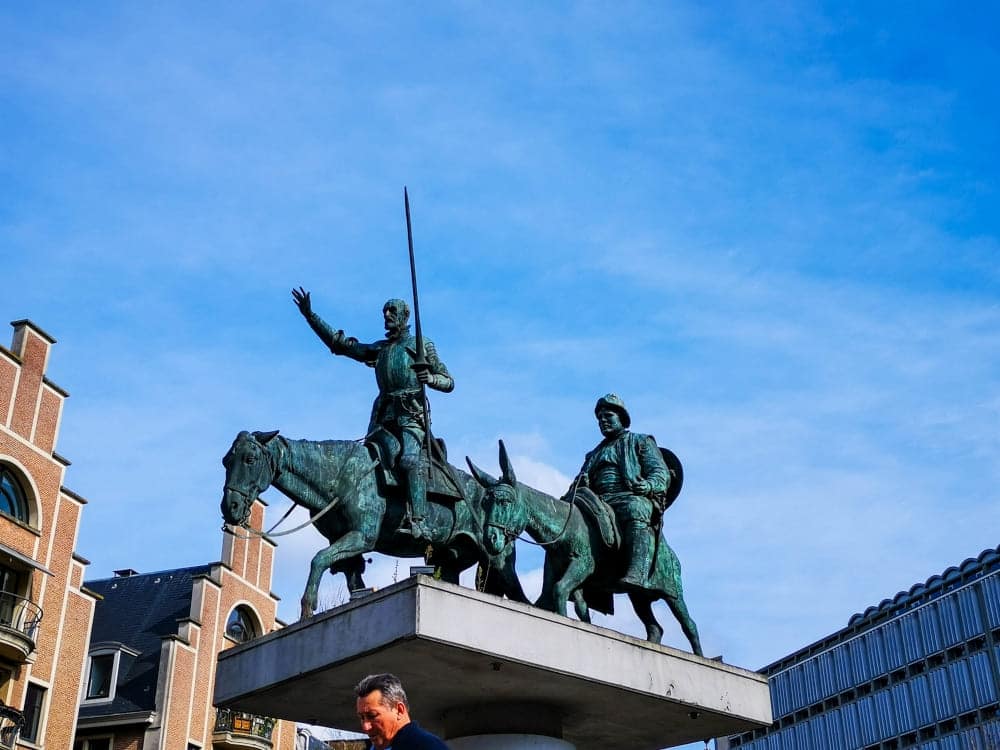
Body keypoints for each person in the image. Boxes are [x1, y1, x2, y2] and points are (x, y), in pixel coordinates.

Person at [292, 288, 453, 540]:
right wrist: (311, 316)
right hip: (384, 419)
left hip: (412, 418)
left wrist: (429, 377)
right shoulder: (381, 349)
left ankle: (418, 520)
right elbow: (341, 345)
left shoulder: (420, 345)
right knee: (363, 462)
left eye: (392, 311)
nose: (387, 315)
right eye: (385, 311)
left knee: (409, 461)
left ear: (404, 316)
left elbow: (448, 380)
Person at [574, 393, 670, 588]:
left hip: (627, 497)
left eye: (607, 416)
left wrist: (649, 485)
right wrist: (582, 482)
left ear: (621, 418)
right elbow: (578, 483)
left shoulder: (641, 441)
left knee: (636, 507)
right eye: (599, 418)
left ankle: (637, 571)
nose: (602, 421)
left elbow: (661, 473)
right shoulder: (593, 455)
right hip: (598, 500)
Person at [355, 673, 449, 750]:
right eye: (362, 718)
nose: (365, 727)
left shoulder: (428, 746)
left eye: (372, 715)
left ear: (399, 710)